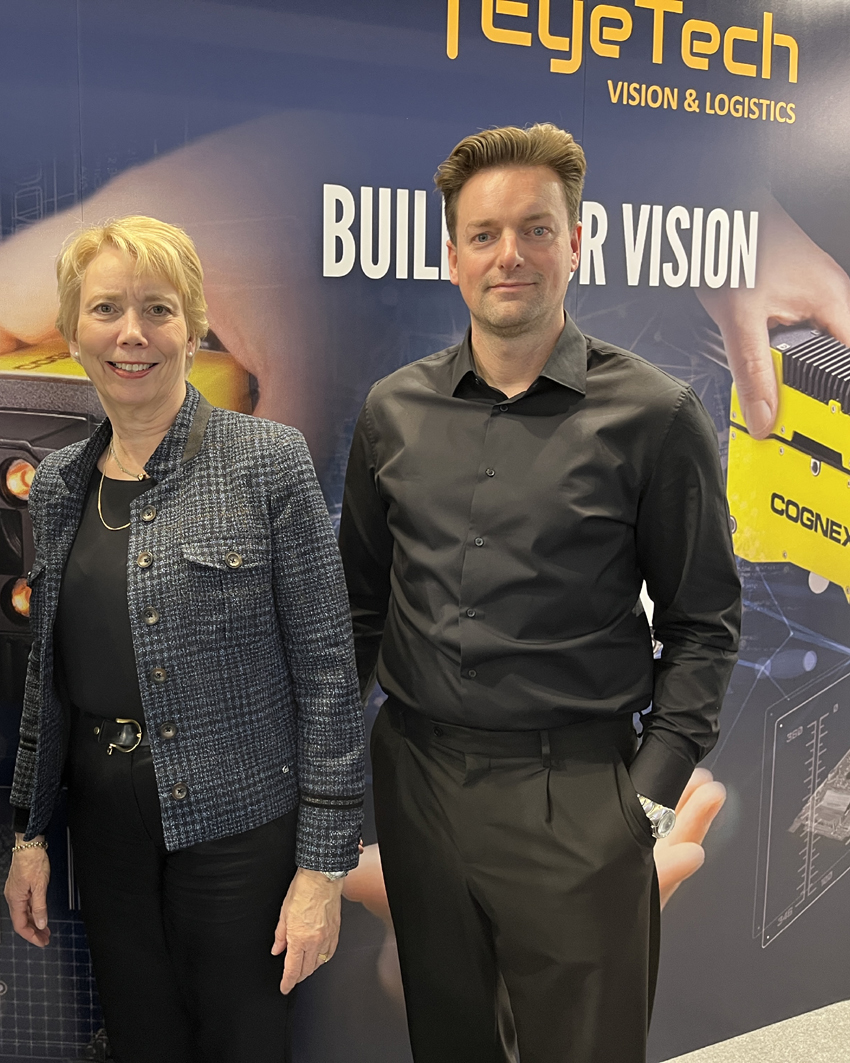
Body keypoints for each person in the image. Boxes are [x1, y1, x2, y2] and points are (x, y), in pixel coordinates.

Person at [337, 125, 742, 1063]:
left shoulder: (655, 415)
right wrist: (324, 779)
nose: (507, 254)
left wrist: (643, 802)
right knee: (449, 1042)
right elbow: (359, 609)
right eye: (482, 234)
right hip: (419, 786)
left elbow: (702, 626)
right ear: (450, 256)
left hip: (578, 799)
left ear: (575, 240)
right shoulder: (392, 409)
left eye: (534, 228)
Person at [0, 215, 364, 1063]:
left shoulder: (266, 459)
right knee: (140, 1037)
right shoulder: (58, 484)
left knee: (242, 1039)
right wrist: (29, 834)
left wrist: (320, 870)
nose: (132, 334)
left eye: (158, 309)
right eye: (105, 310)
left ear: (194, 327)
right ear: (71, 331)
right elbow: (45, 680)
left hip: (240, 824)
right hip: (105, 822)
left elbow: (326, 674)